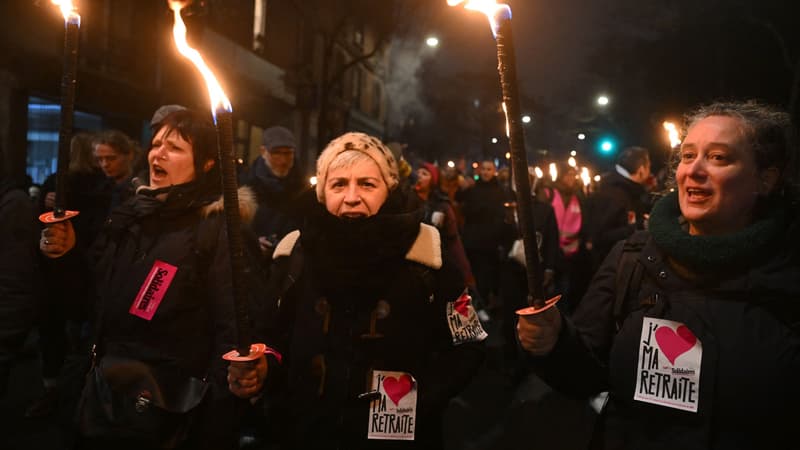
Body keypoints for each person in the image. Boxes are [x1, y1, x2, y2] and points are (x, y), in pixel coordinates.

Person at [517, 100, 800, 449]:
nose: (693, 170)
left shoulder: (788, 268)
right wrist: (555, 343)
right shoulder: (632, 258)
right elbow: (586, 374)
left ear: (766, 179)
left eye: (718, 158)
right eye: (687, 155)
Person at [228, 132, 486, 449]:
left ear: (388, 188)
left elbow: (468, 343)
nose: (352, 197)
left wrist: (416, 402)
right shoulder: (294, 252)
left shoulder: (426, 254)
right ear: (322, 193)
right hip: (304, 432)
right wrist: (264, 367)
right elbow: (271, 335)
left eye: (367, 184)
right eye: (338, 184)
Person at [40, 109, 261, 449]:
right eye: (156, 143)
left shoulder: (220, 231)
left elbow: (232, 334)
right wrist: (65, 256)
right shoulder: (128, 217)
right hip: (105, 400)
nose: (158, 153)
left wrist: (214, 423)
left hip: (172, 415)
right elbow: (86, 304)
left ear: (205, 164)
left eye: (174, 147)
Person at [456, 159, 515, 318]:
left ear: (494, 171)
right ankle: (473, 307)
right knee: (472, 276)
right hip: (473, 241)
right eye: (483, 169)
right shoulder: (473, 189)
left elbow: (503, 217)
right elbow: (462, 204)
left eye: (489, 169)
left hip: (491, 243)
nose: (485, 172)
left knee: (486, 277)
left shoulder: (501, 191)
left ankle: (482, 306)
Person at [414, 161, 476, 291]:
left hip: (437, 264)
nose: (419, 176)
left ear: (433, 180)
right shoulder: (407, 201)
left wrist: (465, 273)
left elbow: (453, 240)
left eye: (424, 173)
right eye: (418, 172)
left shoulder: (441, 205)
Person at [245, 125, 306, 257]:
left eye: (288, 153)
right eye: (276, 153)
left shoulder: (302, 189)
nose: (283, 160)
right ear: (263, 152)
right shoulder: (246, 187)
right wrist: (252, 242)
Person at [589, 146, 652, 269]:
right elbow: (601, 236)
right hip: (610, 266)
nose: (649, 172)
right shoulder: (613, 194)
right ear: (641, 170)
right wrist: (640, 226)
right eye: (649, 167)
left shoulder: (628, 190)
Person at [543, 163, 593, 313]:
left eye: (573, 175)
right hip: (552, 250)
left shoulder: (578, 196)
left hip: (571, 252)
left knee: (565, 289)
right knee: (549, 289)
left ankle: (562, 317)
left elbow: (585, 219)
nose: (571, 178)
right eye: (568, 175)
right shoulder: (549, 193)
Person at [91, 130, 138, 210]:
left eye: (111, 158)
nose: (104, 164)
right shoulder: (101, 189)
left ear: (129, 155)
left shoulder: (137, 190)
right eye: (100, 159)